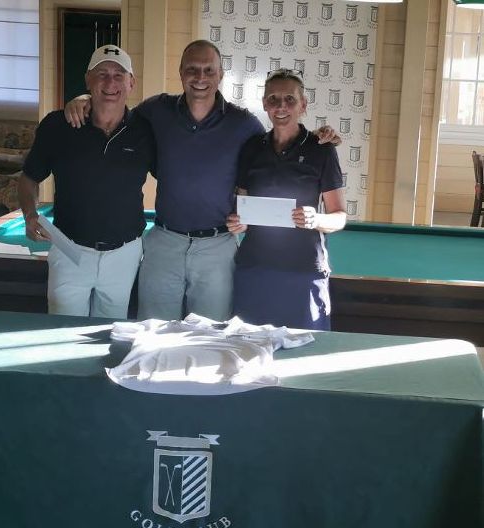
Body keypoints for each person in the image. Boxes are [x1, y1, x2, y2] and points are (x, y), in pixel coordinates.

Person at [65, 40, 339, 323]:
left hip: (217, 247)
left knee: (210, 338)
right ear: (181, 72)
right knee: (153, 333)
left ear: (221, 75)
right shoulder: (156, 110)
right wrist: (86, 99)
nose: (200, 77)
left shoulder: (244, 123)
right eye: (192, 69)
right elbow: (116, 115)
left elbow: (279, 142)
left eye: (209, 70)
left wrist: (318, 137)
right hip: (164, 243)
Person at [18, 45, 155, 318]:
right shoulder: (58, 125)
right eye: (102, 74)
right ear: (88, 80)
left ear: (131, 83)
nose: (110, 82)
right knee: (63, 332)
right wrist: (30, 214)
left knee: (108, 332)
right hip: (69, 249)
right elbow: (29, 178)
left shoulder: (146, 130)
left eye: (119, 75)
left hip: (124, 253)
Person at [226, 68, 346, 330]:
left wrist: (316, 219)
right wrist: (239, 222)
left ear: (303, 105)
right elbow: (242, 206)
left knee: (307, 348)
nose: (281, 106)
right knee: (248, 346)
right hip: (254, 268)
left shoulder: (321, 149)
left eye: (290, 99)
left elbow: (339, 217)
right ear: (264, 104)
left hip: (303, 271)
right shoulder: (252, 148)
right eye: (273, 99)